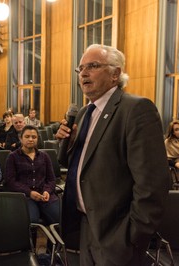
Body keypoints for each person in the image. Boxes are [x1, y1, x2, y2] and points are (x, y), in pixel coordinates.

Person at [55, 44, 170, 265]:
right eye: (81, 69)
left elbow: (152, 183)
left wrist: (133, 236)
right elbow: (75, 165)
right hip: (85, 224)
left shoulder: (135, 109)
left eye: (93, 66)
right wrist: (66, 143)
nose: (84, 73)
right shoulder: (83, 113)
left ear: (115, 74)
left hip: (118, 231)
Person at [5, 125, 59, 225]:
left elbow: (51, 179)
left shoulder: (44, 156)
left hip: (44, 195)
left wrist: (47, 191)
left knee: (58, 217)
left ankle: (53, 241)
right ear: (20, 138)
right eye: (27, 136)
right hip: (25, 196)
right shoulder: (13, 157)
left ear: (37, 139)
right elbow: (10, 181)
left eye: (34, 137)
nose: (30, 139)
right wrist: (29, 192)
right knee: (32, 220)